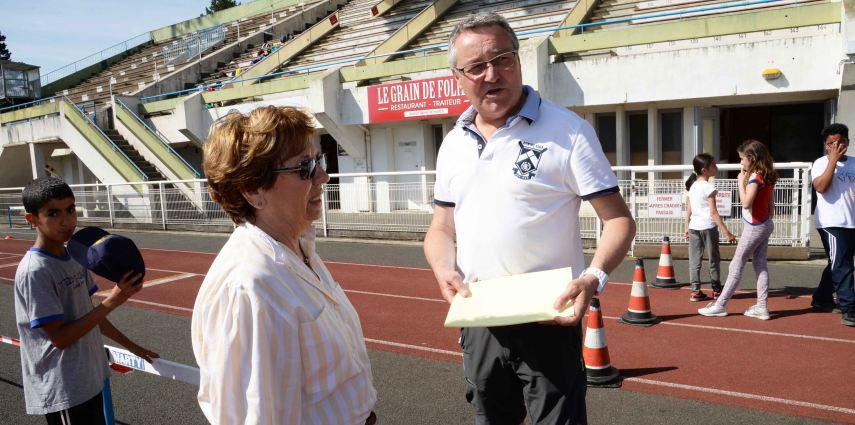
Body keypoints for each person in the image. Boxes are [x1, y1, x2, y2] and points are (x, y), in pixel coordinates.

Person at [424, 12, 635, 424]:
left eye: (501, 58)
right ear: (458, 77)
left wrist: (593, 278)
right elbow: (442, 227)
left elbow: (618, 221)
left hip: (550, 318)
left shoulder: (568, 131)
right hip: (480, 317)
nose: (492, 74)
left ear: (519, 61)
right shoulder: (452, 144)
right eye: (476, 67)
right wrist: (444, 269)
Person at [191, 106, 377, 424]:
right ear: (253, 191)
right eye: (304, 167)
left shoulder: (299, 249)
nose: (322, 176)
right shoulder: (250, 287)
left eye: (318, 160)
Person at [13, 176, 158, 424]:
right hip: (64, 387)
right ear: (32, 219)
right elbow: (59, 338)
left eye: (70, 210)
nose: (67, 220)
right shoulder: (35, 271)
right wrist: (114, 300)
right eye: (53, 213)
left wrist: (132, 346)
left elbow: (88, 315)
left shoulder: (74, 256)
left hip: (88, 378)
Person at [699, 140, 777, 320]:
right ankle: (762, 306)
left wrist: (741, 182)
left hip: (755, 226)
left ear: (752, 158)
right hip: (765, 224)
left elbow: (746, 203)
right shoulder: (768, 175)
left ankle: (720, 304)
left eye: (742, 159)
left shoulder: (755, 178)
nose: (740, 162)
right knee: (760, 264)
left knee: (736, 264)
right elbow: (771, 206)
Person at [811, 123, 855, 327]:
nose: (836, 146)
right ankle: (849, 309)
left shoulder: (854, 163)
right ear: (826, 145)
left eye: (840, 142)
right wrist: (833, 161)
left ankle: (821, 298)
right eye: (831, 143)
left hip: (851, 222)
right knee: (843, 265)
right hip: (831, 222)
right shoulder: (821, 163)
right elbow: (820, 187)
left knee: (838, 262)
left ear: (847, 142)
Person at [684, 153, 736, 302]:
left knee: (695, 261)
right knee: (713, 259)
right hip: (708, 227)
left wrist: (686, 227)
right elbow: (713, 212)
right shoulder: (708, 187)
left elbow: (689, 210)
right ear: (704, 170)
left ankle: (695, 291)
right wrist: (727, 232)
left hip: (694, 227)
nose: (716, 167)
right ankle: (716, 290)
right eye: (713, 165)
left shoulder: (693, 186)